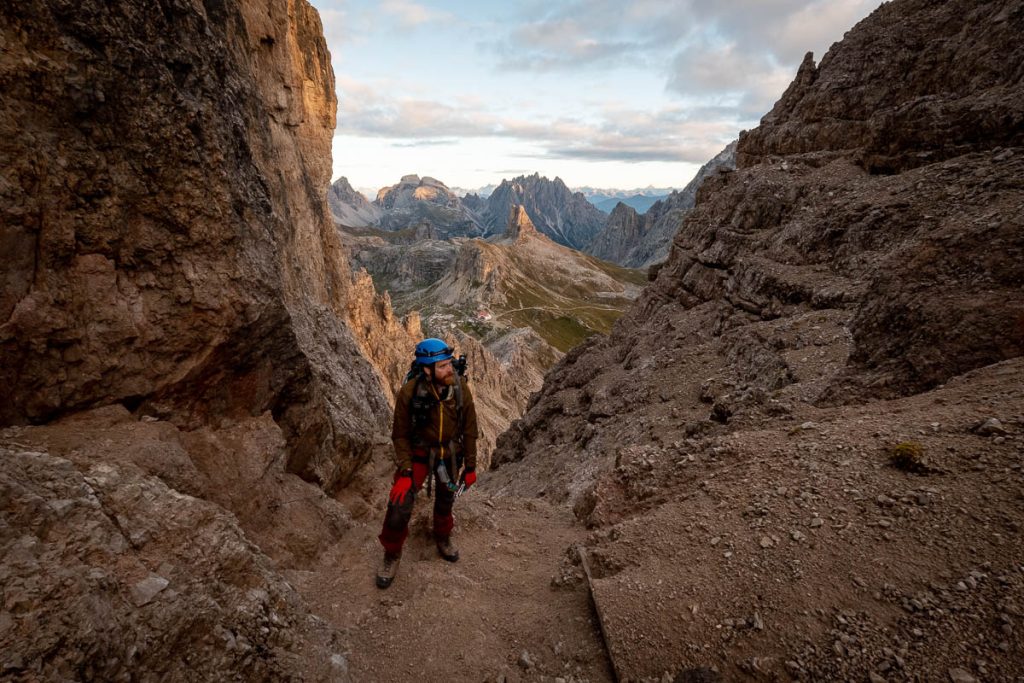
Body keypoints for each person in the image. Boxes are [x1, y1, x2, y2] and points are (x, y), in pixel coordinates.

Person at [376, 338, 479, 589]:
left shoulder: (459, 388)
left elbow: (470, 429)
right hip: (419, 453)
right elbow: (400, 435)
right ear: (427, 370)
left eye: (450, 364)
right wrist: (405, 469)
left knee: (446, 500)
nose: (450, 370)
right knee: (399, 505)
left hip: (450, 454)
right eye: (443, 366)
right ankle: (392, 553)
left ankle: (442, 537)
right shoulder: (410, 393)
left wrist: (472, 466)